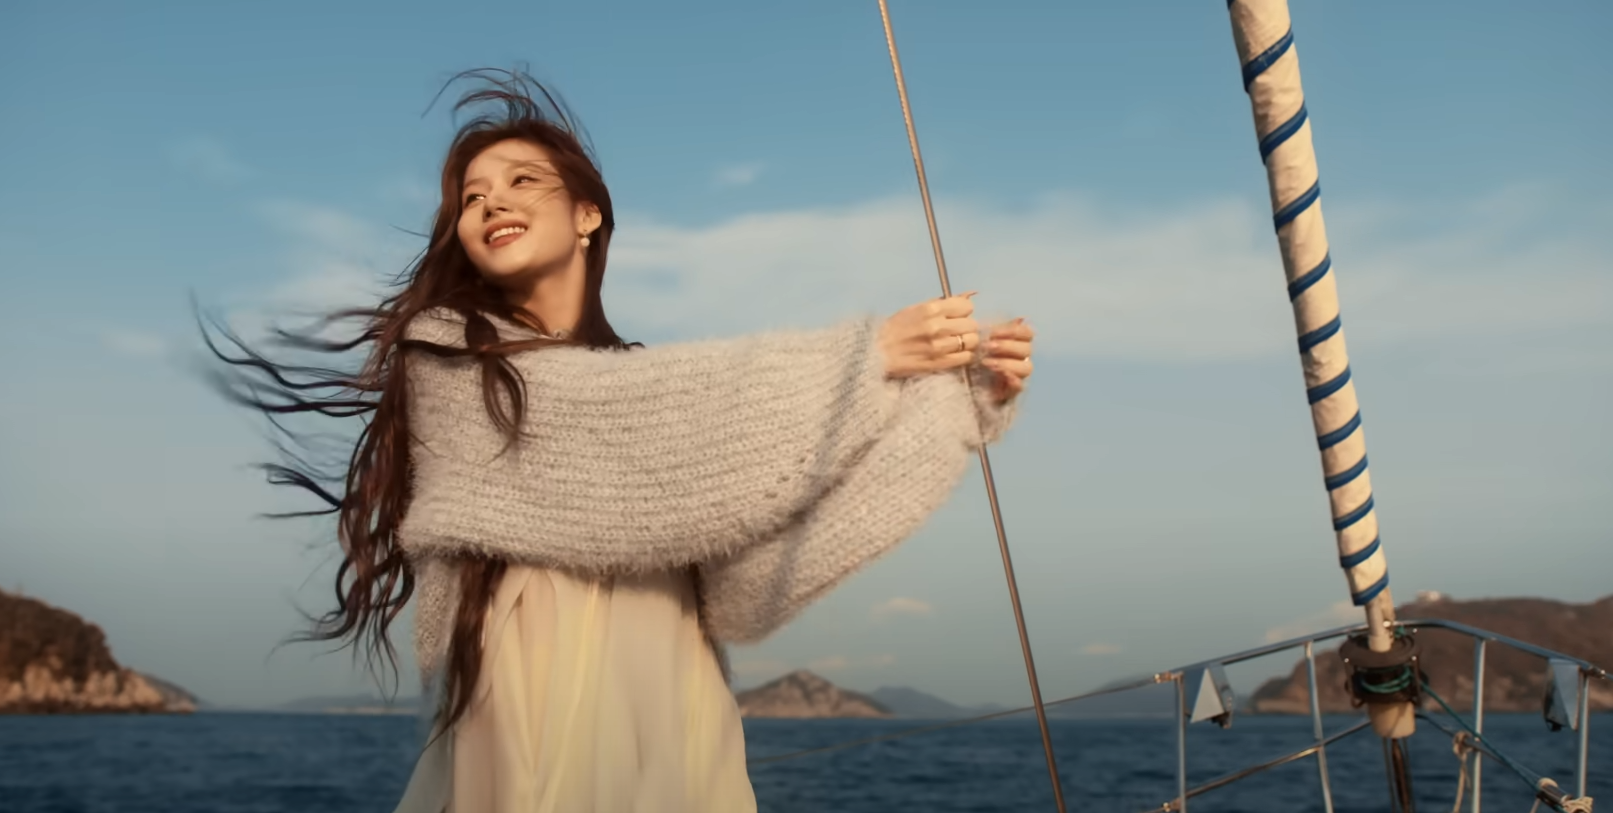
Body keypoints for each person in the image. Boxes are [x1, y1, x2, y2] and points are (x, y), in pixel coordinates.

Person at [205, 68, 1034, 813]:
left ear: (587, 212)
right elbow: (616, 427)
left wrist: (951, 408)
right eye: (470, 197)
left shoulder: (647, 392)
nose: (489, 202)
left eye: (521, 180)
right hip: (534, 703)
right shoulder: (449, 353)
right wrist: (869, 358)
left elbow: (750, 584)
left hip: (674, 704)